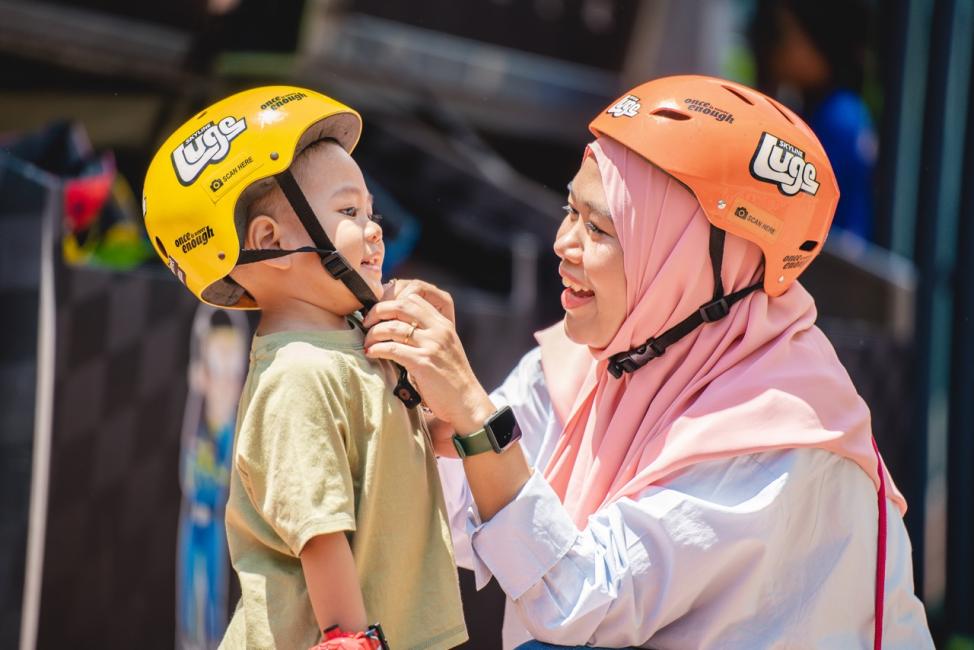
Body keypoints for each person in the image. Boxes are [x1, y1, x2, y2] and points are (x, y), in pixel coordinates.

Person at [362, 76, 933, 648]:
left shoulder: (781, 432)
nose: (563, 243)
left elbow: (582, 602)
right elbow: (461, 518)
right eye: (570, 211)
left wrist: (474, 418)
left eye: (600, 227)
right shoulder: (599, 358)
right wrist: (418, 410)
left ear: (693, 260)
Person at [142, 86, 467, 650]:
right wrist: (352, 639)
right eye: (348, 211)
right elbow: (320, 536)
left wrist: (445, 375)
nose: (374, 229)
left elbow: (425, 444)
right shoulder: (297, 374)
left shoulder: (360, 342)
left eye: (371, 211)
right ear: (270, 241)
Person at [750, 0, 878, 240]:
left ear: (819, 39)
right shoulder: (831, 109)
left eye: (783, 34)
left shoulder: (839, 119)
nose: (776, 49)